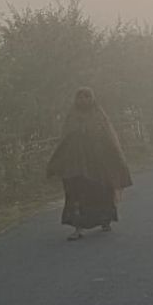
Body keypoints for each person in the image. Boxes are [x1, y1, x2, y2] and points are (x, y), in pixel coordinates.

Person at [46, 87, 133, 241]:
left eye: (87, 97)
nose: (83, 100)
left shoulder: (99, 116)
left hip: (98, 163)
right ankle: (78, 228)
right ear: (76, 100)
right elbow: (65, 139)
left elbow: (109, 138)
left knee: (101, 191)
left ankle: (105, 220)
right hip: (76, 164)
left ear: (92, 99)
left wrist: (115, 159)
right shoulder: (72, 116)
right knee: (76, 194)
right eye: (80, 97)